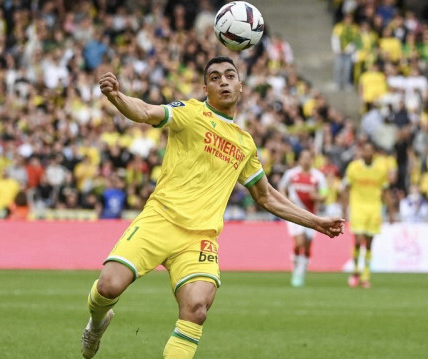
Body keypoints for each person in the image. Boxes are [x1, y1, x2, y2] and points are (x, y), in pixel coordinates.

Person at [81, 57, 345, 359]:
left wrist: (315, 222)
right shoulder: (190, 113)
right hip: (159, 220)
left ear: (240, 86)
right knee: (109, 286)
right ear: (205, 87)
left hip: (200, 238)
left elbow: (266, 196)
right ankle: (96, 324)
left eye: (230, 76)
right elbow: (144, 111)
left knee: (197, 309)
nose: (224, 81)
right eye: (215, 77)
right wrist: (117, 96)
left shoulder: (245, 143)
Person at [342, 142, 393, 289]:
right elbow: (346, 188)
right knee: (358, 241)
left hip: (374, 209)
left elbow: (385, 191)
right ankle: (356, 271)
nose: (368, 153)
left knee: (370, 244)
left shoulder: (381, 169)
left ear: (374, 153)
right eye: (365, 150)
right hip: (358, 208)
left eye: (371, 150)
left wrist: (390, 212)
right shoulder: (354, 167)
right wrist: (344, 209)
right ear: (362, 152)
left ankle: (366, 275)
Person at [278, 150, 328, 287]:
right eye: (303, 158)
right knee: (299, 242)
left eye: (308, 158)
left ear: (312, 160)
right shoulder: (291, 174)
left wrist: (316, 196)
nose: (306, 160)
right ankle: (297, 271)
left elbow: (324, 195)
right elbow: (281, 186)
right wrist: (285, 199)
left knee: (306, 246)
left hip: (312, 216)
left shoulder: (318, 176)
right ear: (299, 160)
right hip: (294, 214)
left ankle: (301, 270)